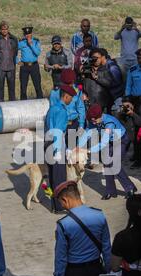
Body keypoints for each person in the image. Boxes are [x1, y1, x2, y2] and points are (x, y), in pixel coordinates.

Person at [52, 181, 111, 276]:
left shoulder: (63, 224)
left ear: (65, 200)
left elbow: (61, 258)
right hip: (96, 271)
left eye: (61, 203)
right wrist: (108, 271)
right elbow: (106, 247)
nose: (62, 206)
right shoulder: (99, 215)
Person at [79, 104, 137, 199]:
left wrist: (88, 150)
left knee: (114, 163)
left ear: (100, 116)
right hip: (110, 142)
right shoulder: (93, 121)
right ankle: (111, 190)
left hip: (121, 140)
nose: (93, 123)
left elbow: (103, 143)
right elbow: (87, 133)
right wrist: (78, 146)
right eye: (91, 120)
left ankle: (130, 187)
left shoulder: (109, 122)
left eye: (94, 120)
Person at [45, 85, 77, 213]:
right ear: (66, 96)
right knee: (60, 178)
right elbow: (58, 131)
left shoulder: (52, 108)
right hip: (56, 144)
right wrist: (59, 150)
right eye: (71, 98)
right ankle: (60, 207)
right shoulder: (62, 111)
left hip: (48, 142)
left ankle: (54, 205)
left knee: (52, 177)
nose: (71, 101)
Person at [0, 21, 18, 102]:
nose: (4, 31)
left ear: (8, 29)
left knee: (12, 89)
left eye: (6, 29)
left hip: (11, 67)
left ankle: (12, 106)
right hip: (0, 67)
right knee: (0, 89)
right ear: (0, 30)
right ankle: (1, 106)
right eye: (2, 29)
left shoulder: (13, 39)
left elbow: (15, 52)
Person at [82, 48, 114, 114]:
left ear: (101, 58)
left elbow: (109, 84)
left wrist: (97, 78)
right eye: (93, 58)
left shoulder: (106, 70)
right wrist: (83, 93)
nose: (96, 60)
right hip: (89, 102)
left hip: (103, 103)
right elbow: (82, 83)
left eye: (97, 58)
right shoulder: (87, 69)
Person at [18, 26, 43, 100]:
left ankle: (40, 102)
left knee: (37, 86)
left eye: (29, 34)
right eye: (26, 34)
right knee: (23, 87)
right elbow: (13, 51)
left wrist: (31, 44)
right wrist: (17, 61)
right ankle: (23, 104)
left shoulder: (36, 41)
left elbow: (37, 53)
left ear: (31, 33)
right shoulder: (21, 43)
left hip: (34, 66)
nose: (27, 35)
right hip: (24, 66)